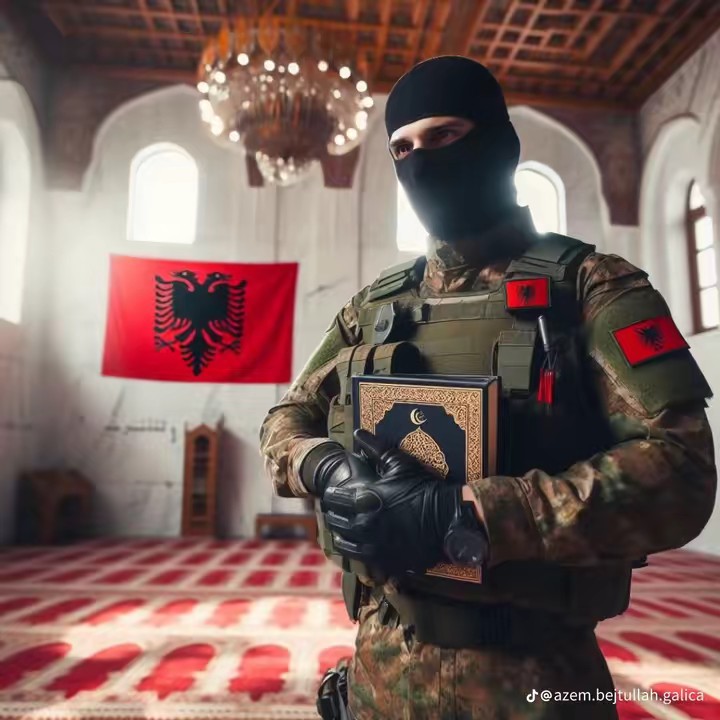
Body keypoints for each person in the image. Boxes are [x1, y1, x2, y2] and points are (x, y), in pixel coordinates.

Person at [259, 56, 717, 720]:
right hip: (381, 674)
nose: (421, 161)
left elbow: (681, 471)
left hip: (534, 681)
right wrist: (330, 470)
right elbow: (285, 419)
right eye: (402, 148)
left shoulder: (591, 287)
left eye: (444, 135)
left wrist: (465, 514)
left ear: (500, 144)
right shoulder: (374, 306)